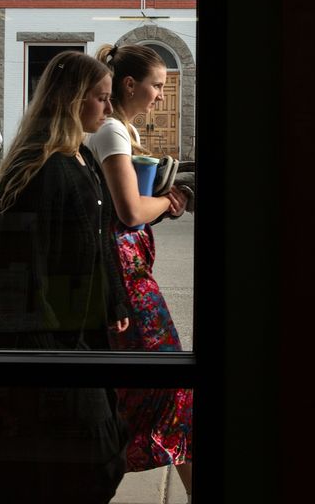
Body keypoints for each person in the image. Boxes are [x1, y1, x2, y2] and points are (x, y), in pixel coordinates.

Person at [0, 50, 130, 504]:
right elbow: (18, 272)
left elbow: (101, 243)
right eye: (101, 97)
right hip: (54, 348)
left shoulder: (81, 158)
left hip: (83, 336)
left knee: (101, 453)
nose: (109, 107)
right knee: (89, 461)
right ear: (72, 99)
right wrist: (46, 355)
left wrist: (115, 301)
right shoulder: (43, 170)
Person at [88, 43, 192, 500]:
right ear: (129, 84)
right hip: (126, 281)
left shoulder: (120, 129)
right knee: (169, 388)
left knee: (159, 394)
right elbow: (129, 211)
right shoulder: (111, 131)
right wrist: (170, 204)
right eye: (156, 86)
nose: (161, 97)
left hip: (130, 274)